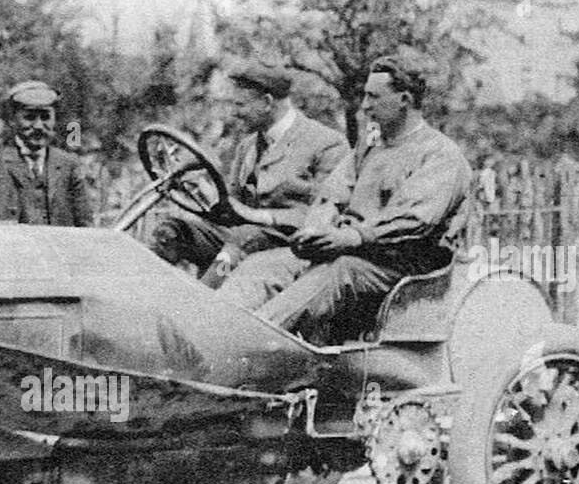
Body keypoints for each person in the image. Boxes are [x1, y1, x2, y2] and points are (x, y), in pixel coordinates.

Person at [225, 54, 473, 344]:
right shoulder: (369, 145)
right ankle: (209, 333)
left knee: (337, 273)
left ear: (404, 99)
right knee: (264, 265)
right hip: (350, 253)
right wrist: (317, 230)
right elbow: (332, 195)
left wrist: (354, 236)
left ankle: (248, 344)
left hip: (400, 268)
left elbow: (413, 221)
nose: (365, 106)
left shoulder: (440, 155)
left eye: (373, 97)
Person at [151, 62, 348, 286]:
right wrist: (201, 190)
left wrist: (264, 217)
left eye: (241, 105)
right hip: (240, 239)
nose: (235, 113)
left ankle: (202, 303)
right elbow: (233, 206)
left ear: (266, 102)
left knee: (241, 240)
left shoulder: (328, 144)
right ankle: (151, 300)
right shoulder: (248, 146)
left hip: (290, 246)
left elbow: (327, 215)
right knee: (171, 232)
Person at [0, 80, 93, 227]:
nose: (39, 126)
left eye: (46, 117)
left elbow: (85, 225)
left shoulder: (68, 164)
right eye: (29, 117)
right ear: (13, 120)